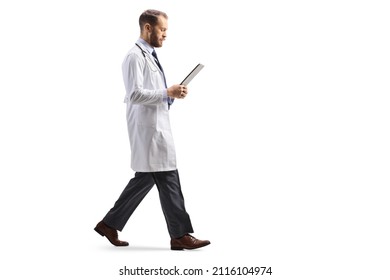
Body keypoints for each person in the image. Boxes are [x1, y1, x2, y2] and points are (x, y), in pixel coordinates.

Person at [94, 9, 210, 250]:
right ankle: (180, 235)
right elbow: (134, 94)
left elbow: (151, 93)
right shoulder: (134, 57)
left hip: (155, 129)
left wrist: (172, 95)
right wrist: (167, 92)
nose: (165, 35)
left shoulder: (150, 55)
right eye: (162, 29)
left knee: (146, 179)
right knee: (169, 178)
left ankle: (109, 224)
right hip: (148, 132)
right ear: (148, 27)